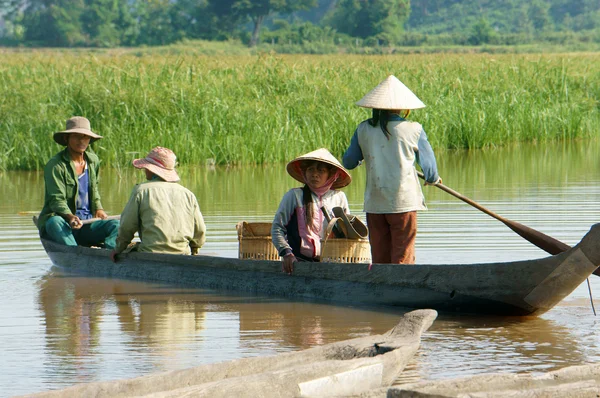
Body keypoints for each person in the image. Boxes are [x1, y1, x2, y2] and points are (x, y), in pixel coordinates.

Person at [342, 75, 441, 265]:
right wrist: (434, 178)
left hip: (375, 204)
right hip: (403, 203)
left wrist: (364, 156)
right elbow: (430, 170)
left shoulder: (363, 129)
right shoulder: (414, 129)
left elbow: (349, 162)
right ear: (404, 108)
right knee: (402, 258)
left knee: (380, 258)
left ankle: (383, 290)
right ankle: (403, 291)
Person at [37, 116, 119, 248]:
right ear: (66, 138)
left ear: (90, 139)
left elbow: (94, 188)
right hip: (65, 224)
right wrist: (70, 217)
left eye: (85, 137)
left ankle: (108, 253)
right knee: (54, 222)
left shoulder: (93, 161)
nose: (81, 141)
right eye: (76, 136)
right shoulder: (56, 165)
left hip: (87, 223)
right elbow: (56, 200)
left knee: (116, 225)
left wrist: (99, 208)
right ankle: (75, 252)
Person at [110, 146, 206, 259]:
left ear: (152, 169)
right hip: (183, 254)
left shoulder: (141, 191)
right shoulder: (188, 194)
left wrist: (118, 249)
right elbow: (200, 231)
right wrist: (194, 251)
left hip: (150, 253)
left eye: (146, 167)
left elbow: (127, 227)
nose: (145, 170)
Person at [272, 148, 352, 274]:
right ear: (305, 172)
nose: (315, 174)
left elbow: (348, 232)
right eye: (311, 170)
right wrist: (286, 253)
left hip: (332, 264)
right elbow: (277, 228)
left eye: (321, 170)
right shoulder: (294, 196)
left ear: (330, 175)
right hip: (299, 263)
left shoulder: (339, 198)